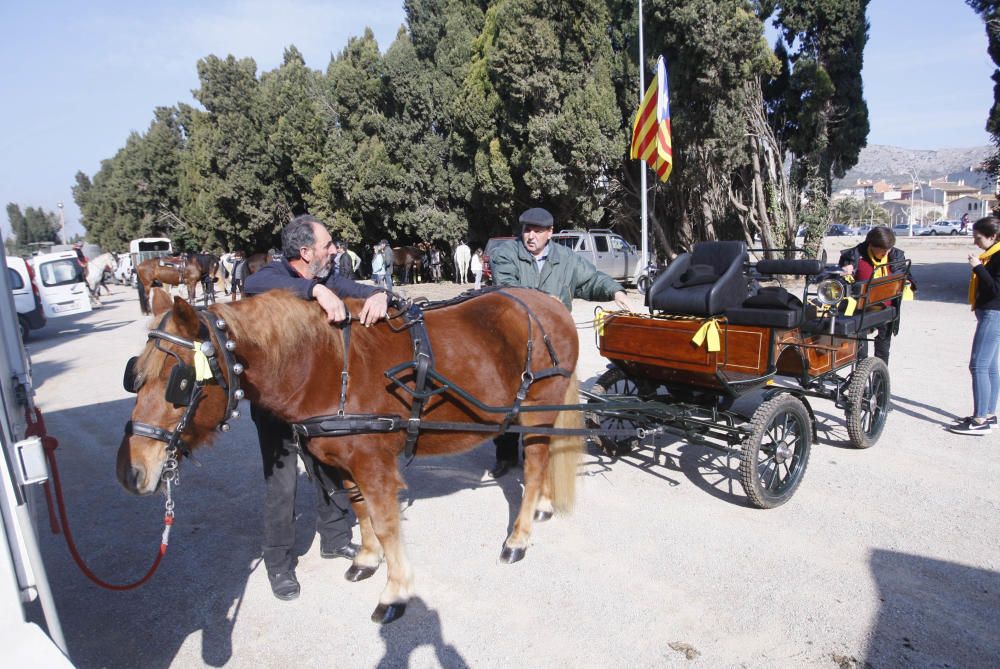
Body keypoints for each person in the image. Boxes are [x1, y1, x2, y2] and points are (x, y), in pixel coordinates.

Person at [243, 214, 389, 600]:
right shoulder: (271, 278)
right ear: (305, 253)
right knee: (283, 484)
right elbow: (253, 283)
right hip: (274, 404)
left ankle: (335, 538)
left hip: (313, 398)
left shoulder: (328, 277)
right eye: (328, 245)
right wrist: (313, 292)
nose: (335, 249)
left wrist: (381, 294)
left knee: (327, 467)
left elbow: (358, 287)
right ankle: (278, 563)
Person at [487, 207, 630, 478]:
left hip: (553, 344)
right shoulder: (505, 254)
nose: (530, 236)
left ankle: (539, 458)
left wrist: (615, 290)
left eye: (537, 231)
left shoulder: (567, 259)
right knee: (510, 402)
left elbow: (591, 280)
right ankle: (505, 455)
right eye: (527, 230)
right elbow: (508, 289)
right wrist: (545, 302)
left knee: (547, 404)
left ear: (550, 233)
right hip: (516, 339)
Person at [949, 215, 1000, 435]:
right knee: (990, 366)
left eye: (978, 237)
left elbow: (995, 288)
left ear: (993, 236)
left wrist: (978, 267)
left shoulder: (997, 257)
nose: (975, 242)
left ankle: (980, 421)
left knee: (978, 365)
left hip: (993, 313)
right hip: (990, 313)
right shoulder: (993, 254)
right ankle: (988, 413)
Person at [838, 226, 917, 364]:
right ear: (871, 245)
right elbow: (837, 285)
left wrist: (907, 282)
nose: (886, 252)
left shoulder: (897, 255)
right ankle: (861, 379)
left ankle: (880, 381)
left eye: (889, 249)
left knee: (883, 349)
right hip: (860, 310)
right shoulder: (852, 257)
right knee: (860, 349)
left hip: (887, 308)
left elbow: (908, 277)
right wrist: (844, 274)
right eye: (883, 250)